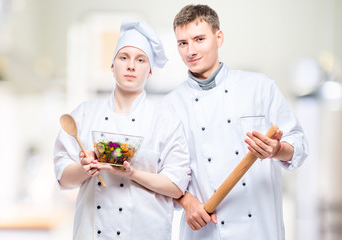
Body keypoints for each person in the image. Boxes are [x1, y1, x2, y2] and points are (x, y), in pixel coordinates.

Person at [161, 4, 309, 240]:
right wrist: (186, 201)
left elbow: (299, 146)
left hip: (259, 227)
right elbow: (163, 174)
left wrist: (277, 149)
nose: (190, 50)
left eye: (199, 39)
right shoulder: (169, 106)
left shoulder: (259, 87)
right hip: (206, 229)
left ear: (218, 37)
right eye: (183, 43)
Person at [54, 20, 191, 240]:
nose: (131, 66)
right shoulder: (85, 114)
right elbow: (63, 178)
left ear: (150, 71)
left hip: (147, 232)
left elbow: (176, 187)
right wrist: (85, 168)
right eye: (123, 57)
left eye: (140, 60)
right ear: (112, 65)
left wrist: (133, 173)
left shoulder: (166, 120)